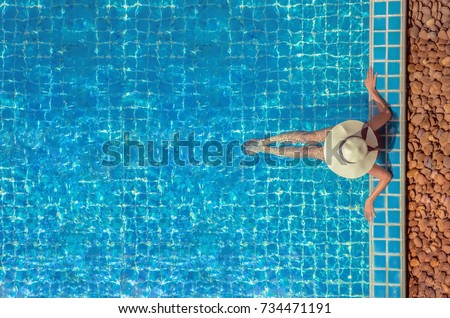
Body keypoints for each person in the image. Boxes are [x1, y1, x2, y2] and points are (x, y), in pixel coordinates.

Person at [244, 67, 392, 223]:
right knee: (305, 150)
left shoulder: (364, 131)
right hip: (341, 152)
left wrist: (372, 91)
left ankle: (265, 144)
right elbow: (386, 177)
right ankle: (264, 147)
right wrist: (369, 200)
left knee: (307, 140)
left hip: (341, 141)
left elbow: (385, 114)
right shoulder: (365, 157)